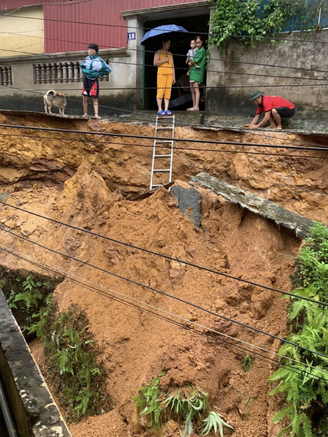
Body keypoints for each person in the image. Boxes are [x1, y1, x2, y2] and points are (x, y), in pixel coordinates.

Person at [80, 43, 111, 119]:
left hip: (94, 80)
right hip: (86, 79)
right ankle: (85, 113)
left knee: (95, 98)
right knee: (84, 96)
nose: (88, 51)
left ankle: (96, 115)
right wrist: (85, 71)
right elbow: (82, 66)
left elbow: (108, 69)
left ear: (94, 51)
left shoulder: (100, 61)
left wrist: (98, 74)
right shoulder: (86, 59)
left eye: (89, 49)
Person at [153, 39, 176, 116]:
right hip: (161, 73)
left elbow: (172, 66)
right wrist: (164, 60)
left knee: (168, 91)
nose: (169, 45)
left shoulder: (170, 54)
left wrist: (174, 76)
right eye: (168, 43)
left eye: (170, 43)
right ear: (163, 43)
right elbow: (155, 63)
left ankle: (166, 108)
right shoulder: (158, 52)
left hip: (169, 74)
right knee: (160, 91)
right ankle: (159, 108)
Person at [187, 35, 206, 112]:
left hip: (197, 72)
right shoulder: (196, 50)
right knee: (192, 89)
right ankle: (194, 105)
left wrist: (191, 62)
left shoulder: (201, 50)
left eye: (199, 42)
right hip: (193, 71)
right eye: (196, 43)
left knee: (196, 89)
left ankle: (196, 106)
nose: (198, 44)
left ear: (202, 42)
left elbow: (193, 61)